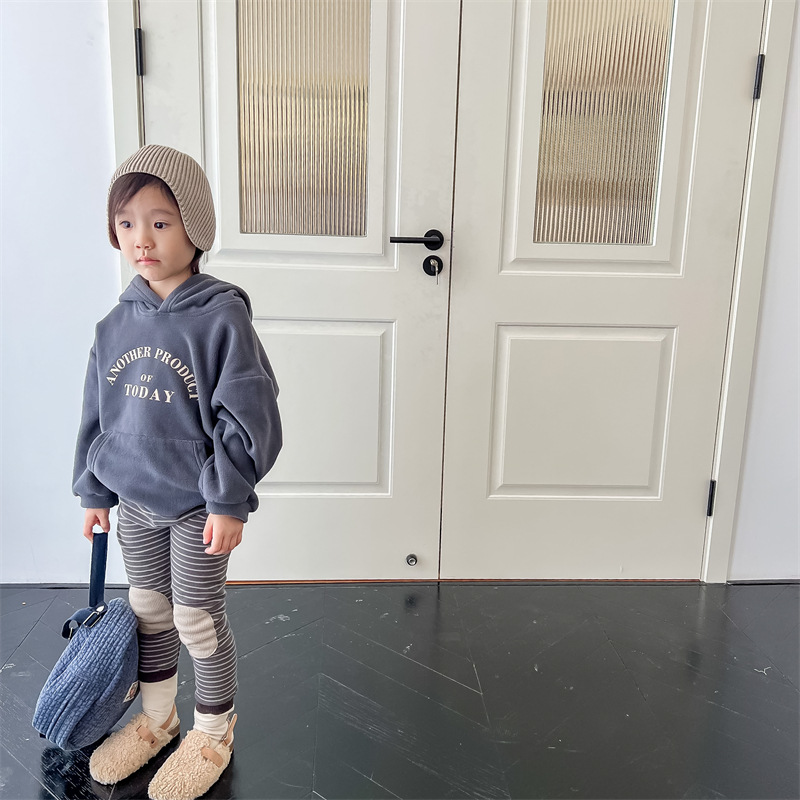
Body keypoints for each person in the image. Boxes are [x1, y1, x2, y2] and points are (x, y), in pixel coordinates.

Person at [73, 144, 282, 800]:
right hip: (134, 503)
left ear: (195, 227)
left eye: (160, 222)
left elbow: (249, 416)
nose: (141, 238)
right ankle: (158, 719)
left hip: (198, 504)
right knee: (148, 612)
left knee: (195, 616)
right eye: (127, 223)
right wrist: (94, 490)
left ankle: (212, 731)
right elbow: (96, 414)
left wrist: (229, 498)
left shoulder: (221, 318)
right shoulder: (114, 324)